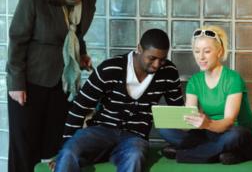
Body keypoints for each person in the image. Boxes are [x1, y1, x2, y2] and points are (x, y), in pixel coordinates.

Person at [6, 0, 96, 172]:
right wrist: (16, 84)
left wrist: (81, 55)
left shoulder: (89, 0)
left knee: (56, 144)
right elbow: (17, 41)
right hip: (32, 81)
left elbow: (76, 35)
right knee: (25, 146)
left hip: (65, 84)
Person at [54, 29, 184, 172]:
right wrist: (64, 148)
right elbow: (79, 107)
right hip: (100, 131)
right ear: (139, 49)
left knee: (135, 156)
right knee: (68, 153)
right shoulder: (111, 68)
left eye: (163, 59)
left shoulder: (169, 72)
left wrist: (182, 142)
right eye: (152, 58)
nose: (157, 64)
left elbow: (177, 110)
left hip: (135, 137)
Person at [159, 26, 252, 164]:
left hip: (239, 135)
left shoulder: (233, 79)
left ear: (219, 52)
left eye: (207, 51)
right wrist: (178, 120)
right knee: (165, 130)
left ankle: (184, 154)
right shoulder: (195, 81)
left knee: (236, 135)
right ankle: (223, 153)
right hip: (210, 134)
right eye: (197, 51)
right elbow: (189, 120)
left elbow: (228, 122)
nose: (200, 57)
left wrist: (207, 124)